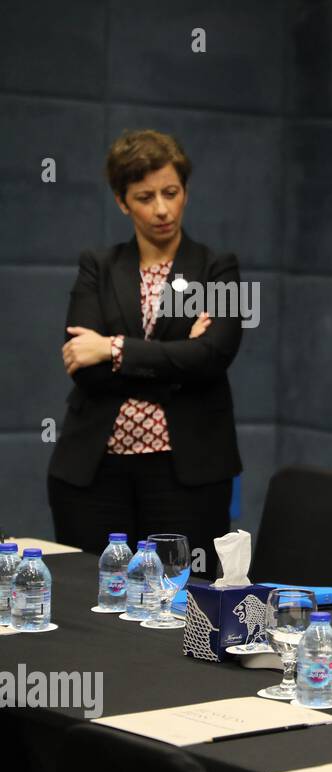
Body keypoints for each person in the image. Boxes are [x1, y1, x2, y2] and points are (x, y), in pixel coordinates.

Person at [47, 129, 243, 572]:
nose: (161, 209)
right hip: (95, 470)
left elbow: (215, 356)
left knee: (179, 603)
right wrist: (177, 359)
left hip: (187, 469)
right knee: (95, 603)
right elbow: (84, 367)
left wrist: (112, 347)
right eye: (144, 197)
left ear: (185, 192)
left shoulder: (218, 267)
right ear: (122, 201)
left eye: (171, 193)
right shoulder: (97, 266)